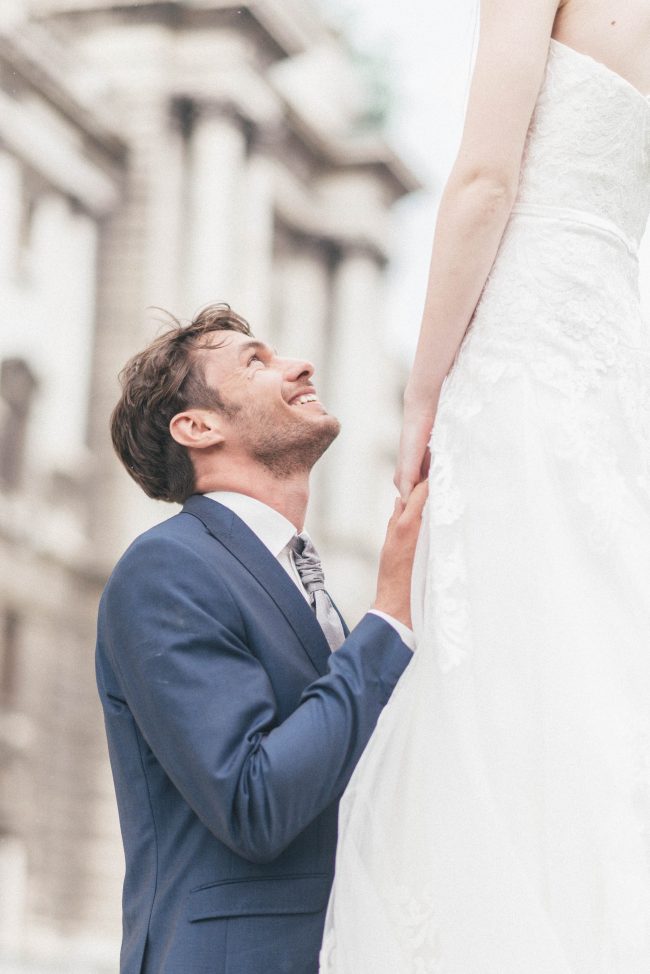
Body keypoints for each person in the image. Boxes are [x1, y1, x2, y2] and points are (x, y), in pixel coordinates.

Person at [321, 1, 650, 971]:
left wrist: (418, 391)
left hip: (526, 320)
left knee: (500, 656)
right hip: (609, 326)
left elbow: (479, 182)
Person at [95, 303, 427, 974]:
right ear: (197, 426)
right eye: (256, 361)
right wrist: (389, 616)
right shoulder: (166, 569)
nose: (298, 365)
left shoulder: (304, 583)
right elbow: (254, 803)